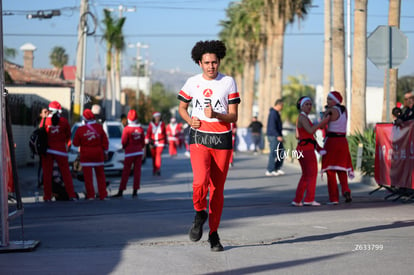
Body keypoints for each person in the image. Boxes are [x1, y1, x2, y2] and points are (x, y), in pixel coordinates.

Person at [177, 40, 240, 252]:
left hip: (222, 138)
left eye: (214, 62)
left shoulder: (229, 82)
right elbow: (182, 107)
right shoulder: (192, 82)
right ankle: (199, 212)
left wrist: (216, 115)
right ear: (199, 63)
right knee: (199, 181)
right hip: (199, 137)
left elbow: (233, 116)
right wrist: (189, 120)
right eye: (207, 63)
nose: (211, 66)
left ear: (219, 61)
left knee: (217, 190)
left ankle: (213, 234)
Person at [291, 97, 330, 207]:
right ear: (301, 106)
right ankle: (309, 199)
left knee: (306, 175)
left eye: (310, 104)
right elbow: (310, 130)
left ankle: (298, 200)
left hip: (302, 148)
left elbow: (299, 134)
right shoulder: (303, 117)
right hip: (306, 149)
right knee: (312, 174)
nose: (309, 106)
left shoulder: (302, 118)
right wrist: (323, 122)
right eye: (307, 104)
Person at [321, 91, 354, 204]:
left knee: (330, 171)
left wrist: (324, 114)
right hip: (343, 141)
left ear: (335, 100)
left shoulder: (330, 111)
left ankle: (334, 198)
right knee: (341, 169)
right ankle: (346, 189)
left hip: (332, 141)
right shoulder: (344, 111)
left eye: (329, 99)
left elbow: (322, 123)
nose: (327, 101)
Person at [41, 101, 77, 201]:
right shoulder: (64, 121)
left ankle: (47, 196)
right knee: (66, 174)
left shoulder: (44, 121)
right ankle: (71, 195)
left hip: (47, 150)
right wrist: (67, 145)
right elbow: (68, 136)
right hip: (60, 150)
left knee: (47, 174)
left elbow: (40, 134)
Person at [73, 109, 109, 200]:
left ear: (84, 119)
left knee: (88, 177)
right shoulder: (99, 127)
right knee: (100, 176)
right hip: (98, 154)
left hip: (86, 155)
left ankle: (91, 195)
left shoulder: (80, 129)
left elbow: (75, 143)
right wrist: (105, 152)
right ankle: (103, 194)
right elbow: (105, 141)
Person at [112, 110, 145, 198]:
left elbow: (124, 141)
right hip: (138, 152)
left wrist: (124, 147)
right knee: (137, 172)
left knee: (126, 172)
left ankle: (121, 191)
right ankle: (135, 191)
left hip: (129, 153)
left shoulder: (127, 129)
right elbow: (143, 142)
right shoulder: (140, 128)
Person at [265, 99, 285, 176]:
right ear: (278, 105)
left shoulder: (276, 113)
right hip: (274, 136)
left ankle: (277, 168)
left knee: (281, 152)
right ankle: (270, 170)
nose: (282, 108)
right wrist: (278, 136)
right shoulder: (273, 113)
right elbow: (272, 126)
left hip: (277, 135)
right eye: (282, 106)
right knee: (273, 153)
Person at [145, 112, 167, 176]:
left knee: (158, 155)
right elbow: (148, 133)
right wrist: (146, 139)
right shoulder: (151, 124)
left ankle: (158, 169)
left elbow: (164, 133)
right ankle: (154, 169)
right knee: (153, 157)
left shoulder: (162, 124)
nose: (157, 118)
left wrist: (166, 143)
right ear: (154, 117)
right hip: (153, 142)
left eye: (158, 116)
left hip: (160, 142)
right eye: (156, 116)